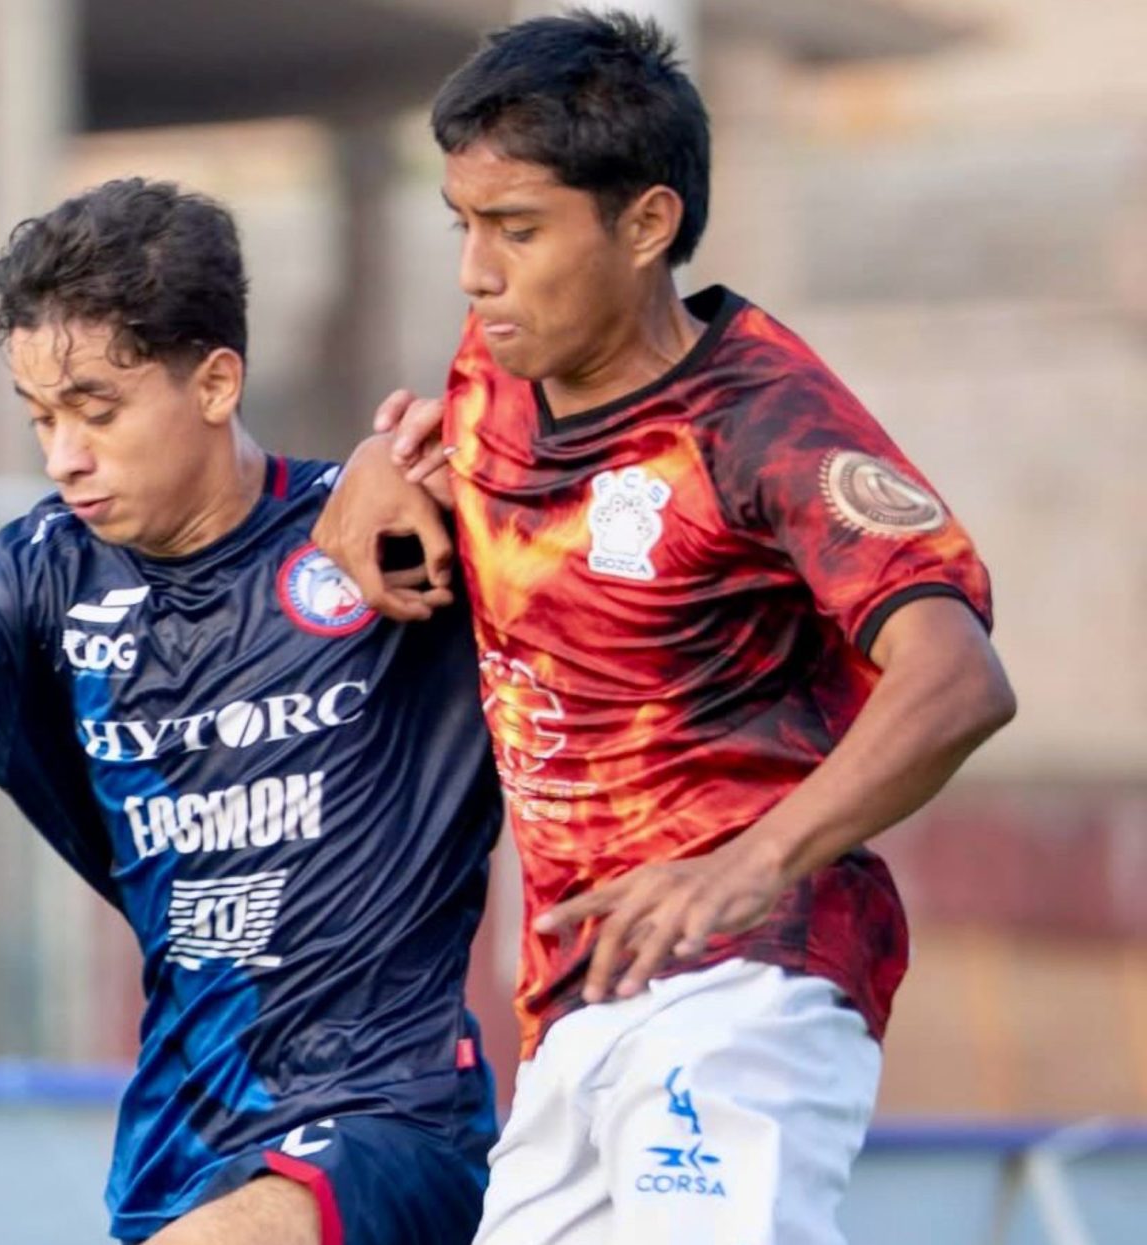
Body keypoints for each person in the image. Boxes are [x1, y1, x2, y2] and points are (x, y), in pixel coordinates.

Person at [312, 13, 1017, 1245]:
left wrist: (749, 862)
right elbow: (473, 466)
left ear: (644, 225)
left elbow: (958, 677)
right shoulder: (497, 362)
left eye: (516, 230)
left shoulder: (762, 426)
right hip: (580, 986)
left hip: (751, 972)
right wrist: (376, 468)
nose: (475, 272)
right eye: (461, 223)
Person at [0, 178, 505, 1244]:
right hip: (181, 1142)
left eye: (97, 411)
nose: (64, 456)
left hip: (390, 1120)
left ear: (216, 382)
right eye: (42, 417)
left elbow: (569, 424)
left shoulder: (380, 533)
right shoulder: (39, 578)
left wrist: (414, 454)